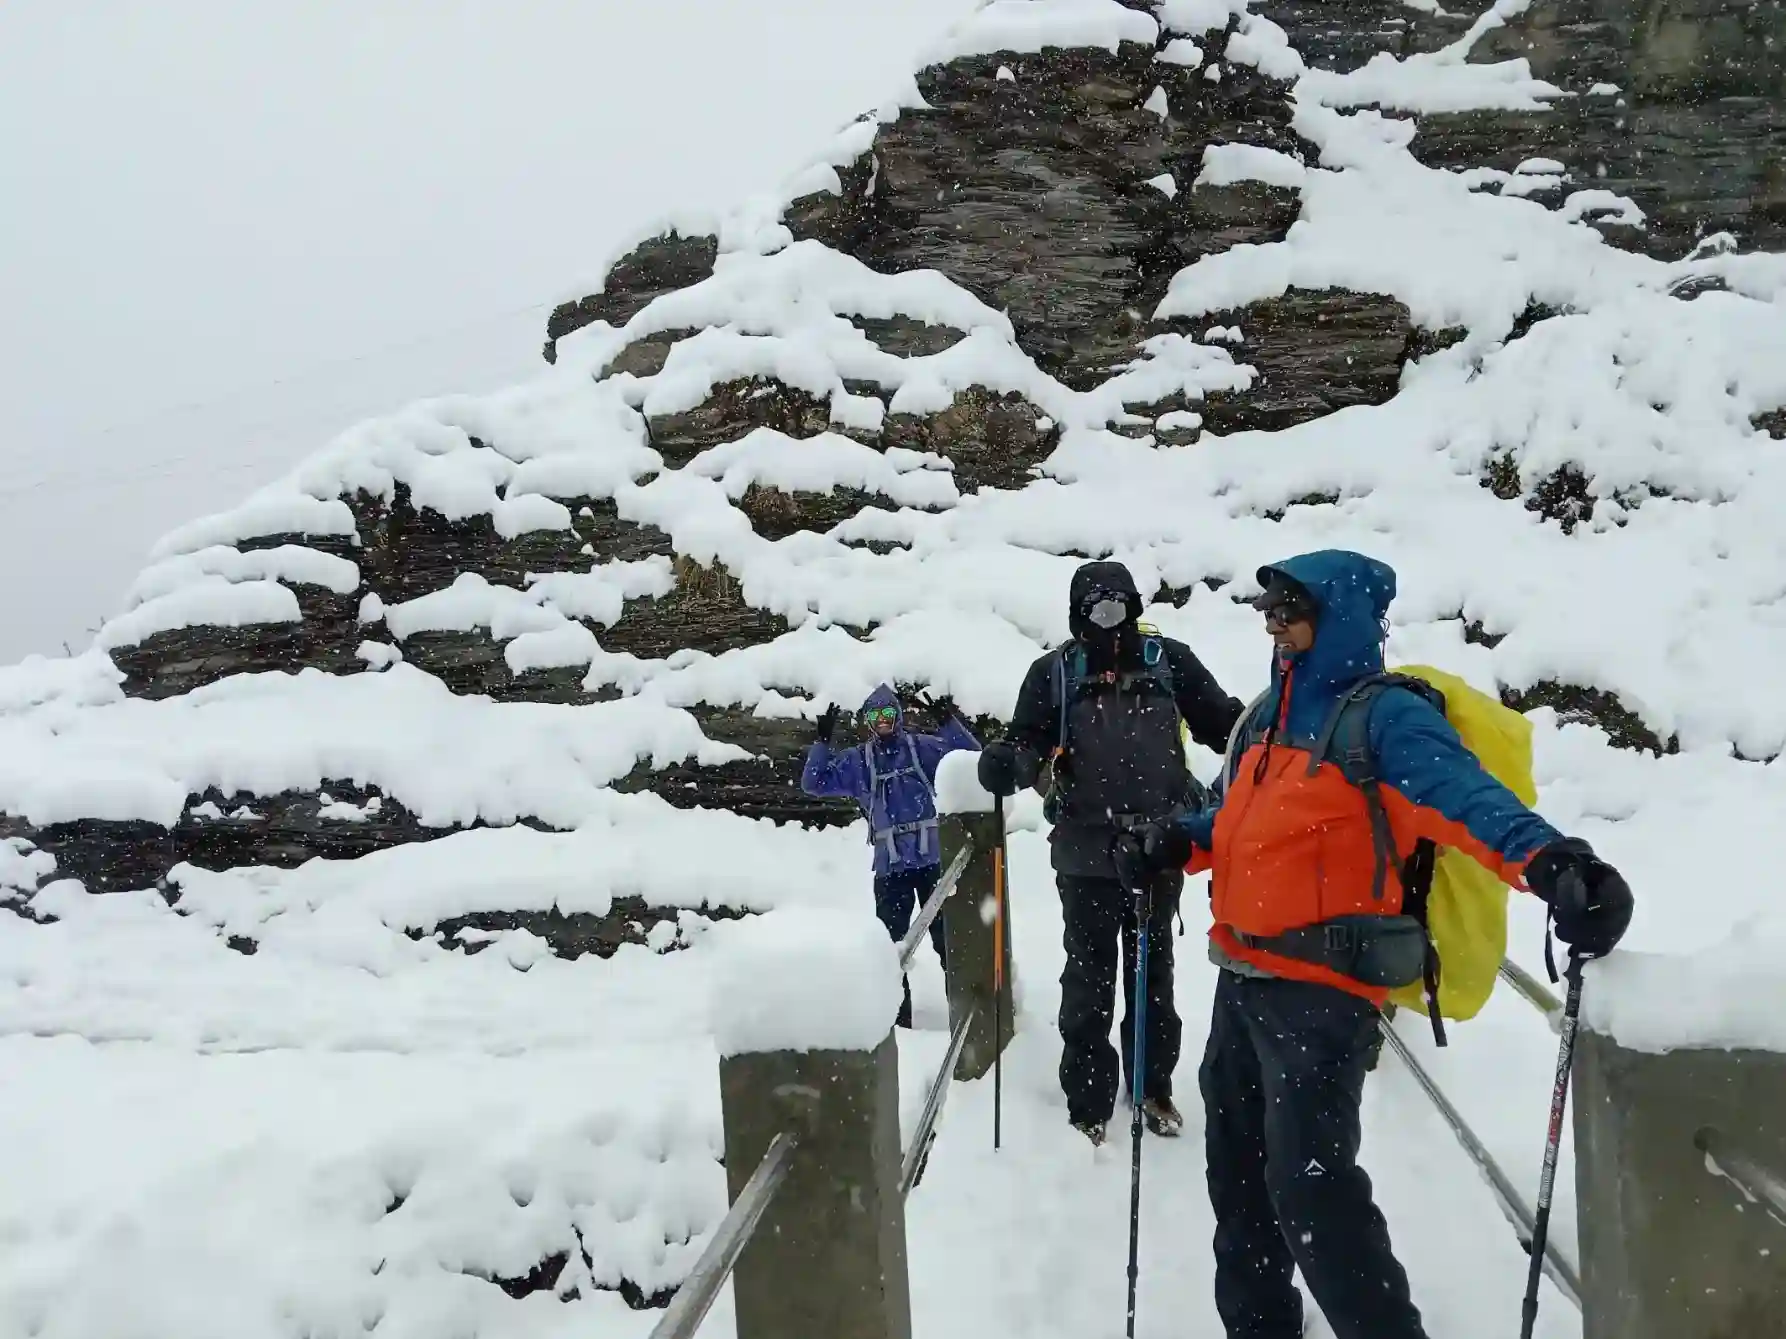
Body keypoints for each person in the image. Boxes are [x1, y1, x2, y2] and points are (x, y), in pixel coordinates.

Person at [1137, 549, 1634, 1339]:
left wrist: (1553, 862)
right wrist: (1179, 842)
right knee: (1237, 1184)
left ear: (1337, 616)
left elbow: (1465, 799)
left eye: (1290, 611)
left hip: (1323, 997)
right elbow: (1235, 819)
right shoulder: (1266, 715)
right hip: (1242, 981)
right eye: (1267, 612)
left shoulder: (1388, 716)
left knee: (1313, 1193)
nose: (1274, 625)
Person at [975, 560, 1243, 1146]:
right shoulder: (1053, 675)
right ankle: (1089, 1100)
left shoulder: (1170, 662)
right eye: (1096, 609)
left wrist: (1270, 722)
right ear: (1076, 615)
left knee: (1154, 974)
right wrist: (1009, 761)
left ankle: (1152, 1087)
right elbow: (1029, 740)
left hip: (1157, 848)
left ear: (1135, 607)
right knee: (1088, 978)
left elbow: (1225, 725)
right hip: (1083, 850)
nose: (1109, 620)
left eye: (1119, 606)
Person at [803, 683, 980, 1028]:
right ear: (867, 721)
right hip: (891, 868)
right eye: (875, 715)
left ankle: (965, 1021)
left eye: (888, 714)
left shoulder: (922, 750)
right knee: (891, 952)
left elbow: (973, 762)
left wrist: (948, 723)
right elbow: (814, 783)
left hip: (933, 864)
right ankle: (899, 1026)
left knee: (952, 946)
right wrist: (822, 743)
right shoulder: (858, 762)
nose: (883, 721)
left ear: (898, 716)